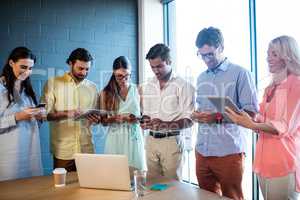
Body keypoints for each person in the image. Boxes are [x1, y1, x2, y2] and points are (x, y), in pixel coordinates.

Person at [225, 35, 300, 200]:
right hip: (263, 161)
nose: (268, 58)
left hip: (283, 161)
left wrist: (250, 124)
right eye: (268, 54)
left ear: (288, 56)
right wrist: (247, 117)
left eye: (274, 54)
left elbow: (283, 126)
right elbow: (265, 119)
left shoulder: (296, 84)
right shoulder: (271, 87)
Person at [191, 27, 258, 200]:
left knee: (232, 197)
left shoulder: (241, 74)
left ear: (221, 47)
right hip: (202, 152)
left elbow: (251, 114)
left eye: (210, 54)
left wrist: (216, 117)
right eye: (202, 55)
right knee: (206, 197)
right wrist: (197, 115)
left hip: (228, 152)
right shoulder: (201, 78)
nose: (206, 60)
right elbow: (202, 108)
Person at [141, 43, 195, 180]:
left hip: (171, 142)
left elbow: (189, 120)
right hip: (151, 141)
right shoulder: (149, 85)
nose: (155, 71)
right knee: (152, 186)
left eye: (159, 66)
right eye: (152, 67)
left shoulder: (184, 85)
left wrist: (165, 125)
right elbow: (147, 113)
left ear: (169, 61)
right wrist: (145, 120)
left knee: (173, 188)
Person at [41, 48, 98, 172]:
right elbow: (44, 115)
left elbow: (93, 116)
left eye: (87, 69)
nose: (84, 72)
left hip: (87, 149)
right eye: (80, 68)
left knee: (90, 190)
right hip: (64, 151)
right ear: (70, 64)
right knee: (62, 190)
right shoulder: (52, 83)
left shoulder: (93, 88)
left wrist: (96, 118)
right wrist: (68, 113)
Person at [0, 47, 43, 181]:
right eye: (23, 67)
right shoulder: (1, 88)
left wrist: (39, 116)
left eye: (30, 68)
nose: (27, 72)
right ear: (11, 63)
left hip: (31, 152)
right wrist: (18, 117)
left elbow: (31, 121)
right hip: (9, 156)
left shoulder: (27, 90)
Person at [98, 56, 146, 175]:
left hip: (134, 137)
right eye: (119, 76)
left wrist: (137, 118)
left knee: (136, 175)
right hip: (115, 137)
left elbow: (144, 116)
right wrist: (116, 118)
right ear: (114, 73)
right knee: (115, 174)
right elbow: (103, 122)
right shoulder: (105, 92)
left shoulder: (138, 89)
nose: (124, 79)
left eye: (127, 75)